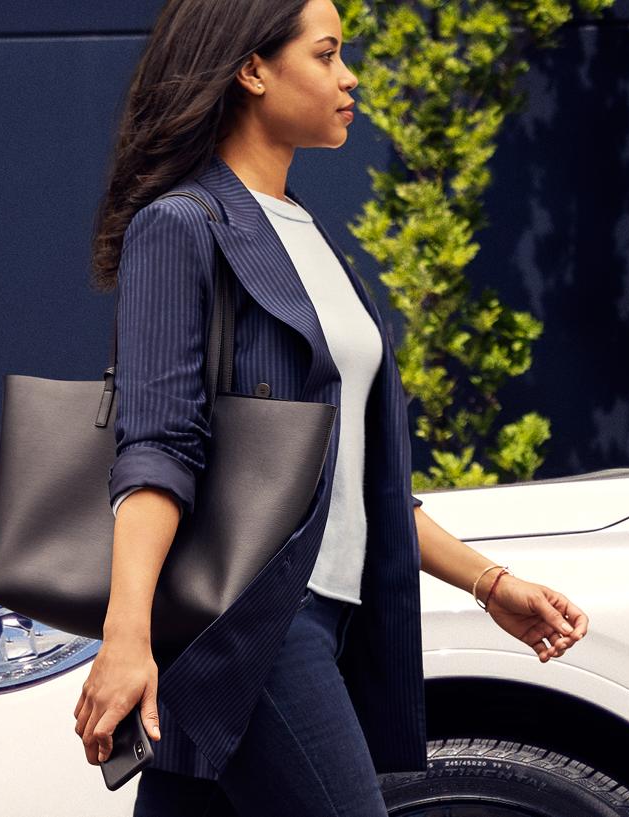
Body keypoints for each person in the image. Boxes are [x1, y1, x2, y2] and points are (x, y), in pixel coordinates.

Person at [72, 0, 590, 814]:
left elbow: (349, 484)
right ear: (252, 69)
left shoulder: (304, 234)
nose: (349, 78)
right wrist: (126, 633)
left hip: (331, 617)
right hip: (254, 623)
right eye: (326, 55)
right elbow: (159, 445)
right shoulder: (180, 226)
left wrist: (491, 584)